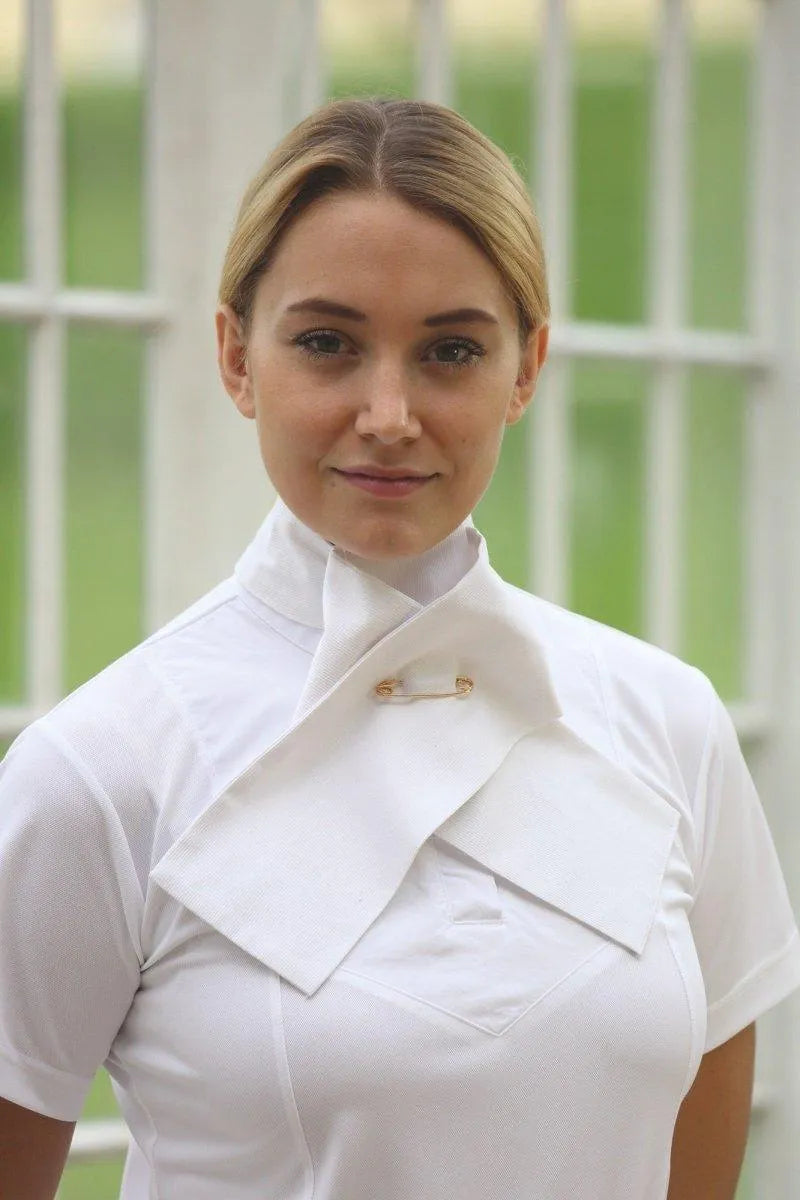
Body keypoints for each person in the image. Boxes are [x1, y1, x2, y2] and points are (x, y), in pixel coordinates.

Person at [1, 96, 799, 1200]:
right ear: (236, 356)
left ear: (526, 369)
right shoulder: (99, 774)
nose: (387, 413)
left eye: (450, 351)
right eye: (326, 343)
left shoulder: (665, 722)